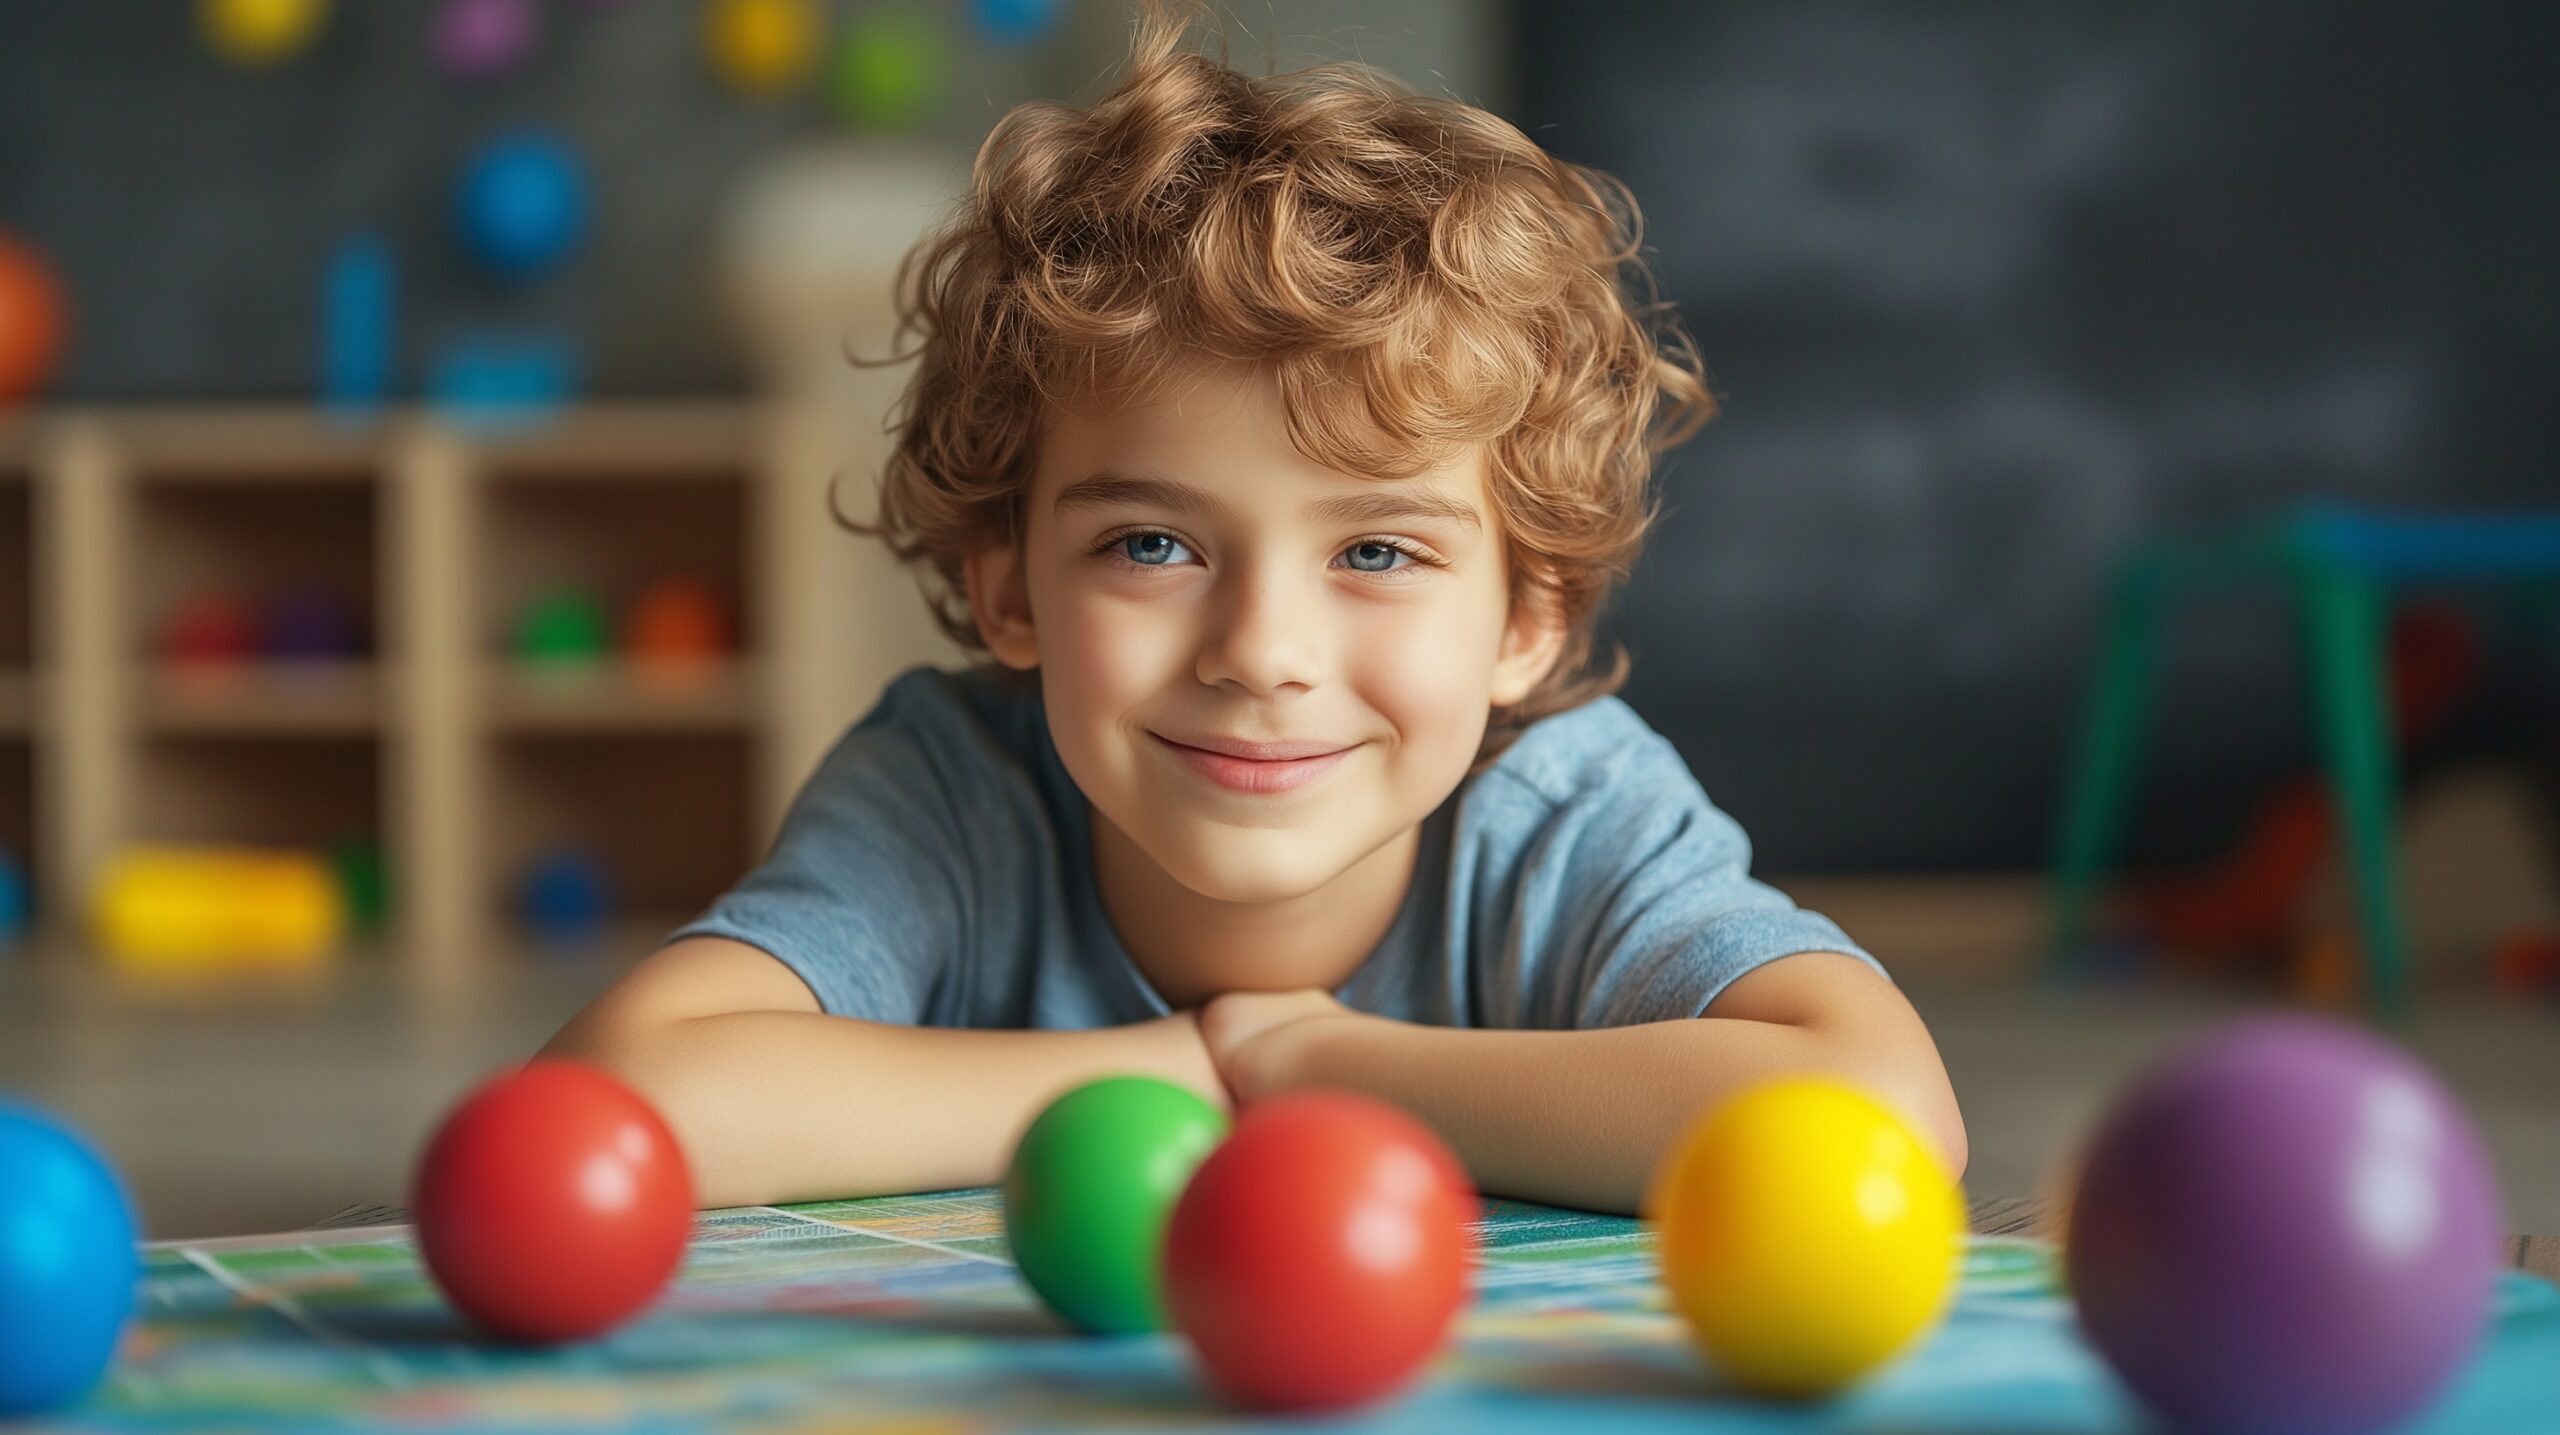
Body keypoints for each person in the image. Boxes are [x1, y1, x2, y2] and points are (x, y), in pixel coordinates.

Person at [544, 0, 1964, 1214]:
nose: (1263, 655)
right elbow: (622, 1101)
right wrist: (1186, 1069)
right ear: (1006, 584)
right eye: (1155, 545)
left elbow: (1882, 1115)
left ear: (1529, 616)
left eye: (1380, 555)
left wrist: (1322, 1061)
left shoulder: (1563, 816)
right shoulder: (955, 794)